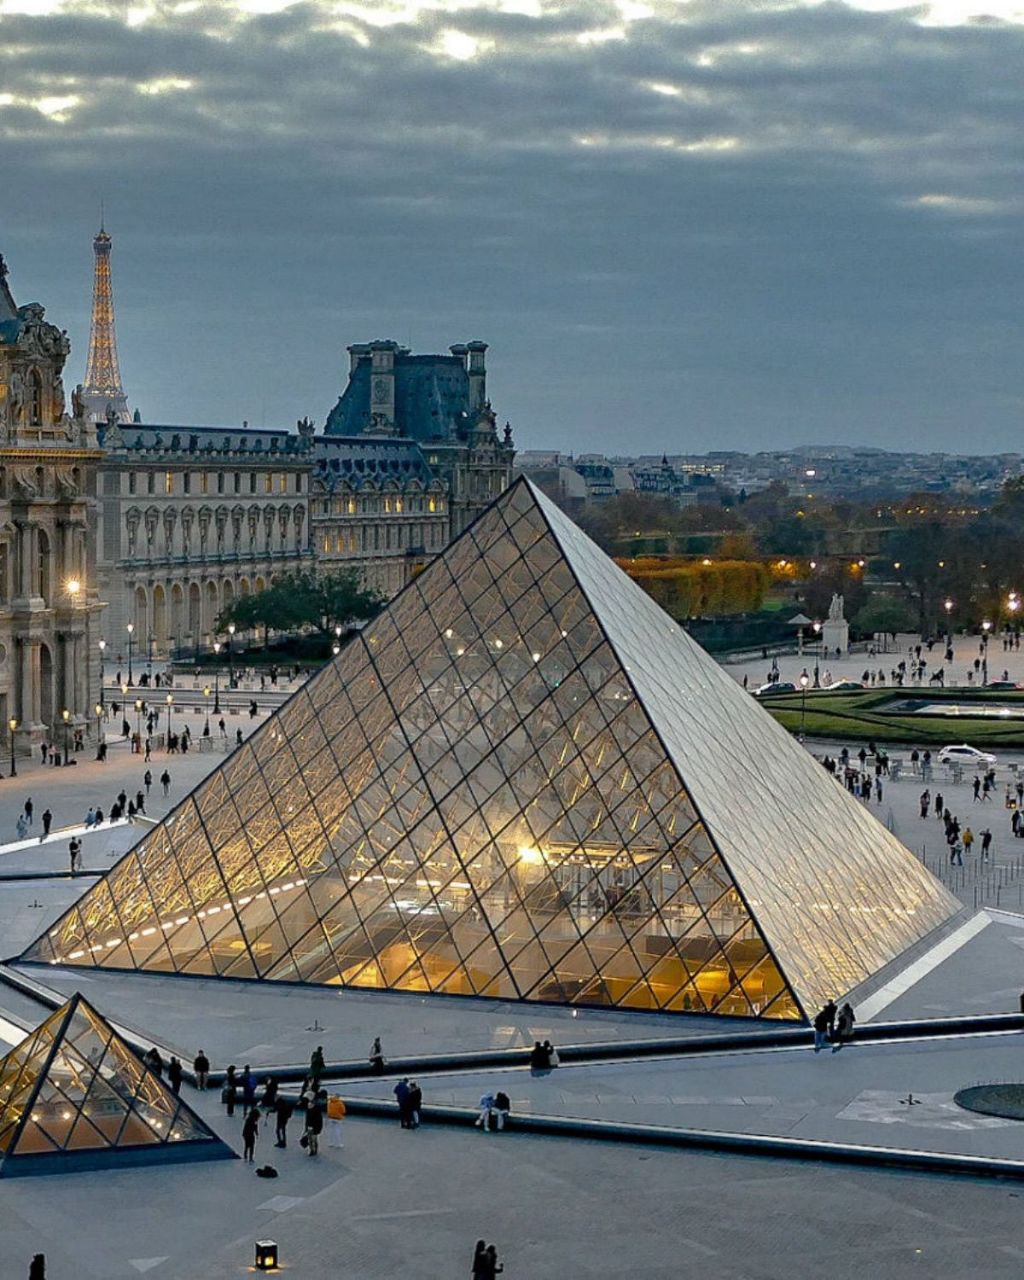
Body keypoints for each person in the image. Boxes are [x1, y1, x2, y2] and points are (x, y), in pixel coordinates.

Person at [303, 1091, 324, 1156]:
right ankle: (312, 1150)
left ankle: (314, 1150)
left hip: (314, 1126)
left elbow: (318, 1119)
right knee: (311, 1139)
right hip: (311, 1126)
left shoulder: (316, 1108)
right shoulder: (312, 1107)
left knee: (313, 1139)